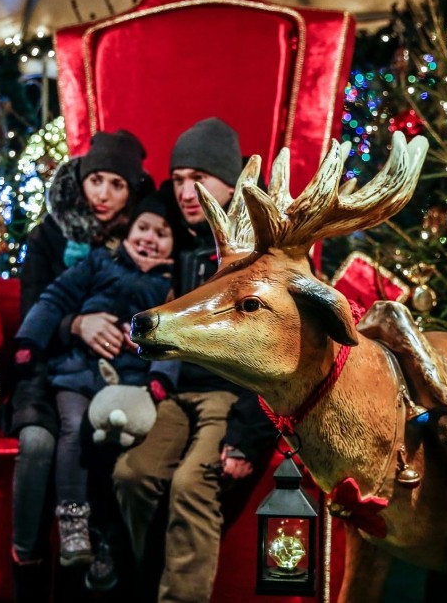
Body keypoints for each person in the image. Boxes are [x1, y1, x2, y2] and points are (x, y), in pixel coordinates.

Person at [113, 117, 279, 602]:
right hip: (173, 390)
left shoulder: (260, 251)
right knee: (131, 474)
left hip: (229, 399)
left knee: (190, 483)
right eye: (179, 179)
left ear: (230, 181)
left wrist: (249, 436)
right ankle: (138, 587)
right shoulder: (172, 232)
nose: (187, 191)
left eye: (199, 179)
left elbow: (277, 349)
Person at [9, 129, 151, 600]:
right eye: (96, 182)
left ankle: (103, 553)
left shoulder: (141, 240)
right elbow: (35, 306)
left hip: (110, 371)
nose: (103, 195)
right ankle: (25, 566)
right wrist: (76, 324)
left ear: (132, 191)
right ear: (80, 180)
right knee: (37, 442)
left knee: (108, 437)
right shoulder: (50, 235)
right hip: (48, 368)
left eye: (117, 185)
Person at [14, 195, 178, 576]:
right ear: (127, 232)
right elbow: (54, 298)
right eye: (143, 229)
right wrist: (29, 342)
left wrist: (158, 379)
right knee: (74, 428)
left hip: (126, 385)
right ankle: (72, 517)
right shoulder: (99, 262)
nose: (150, 239)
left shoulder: (168, 289)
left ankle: (105, 538)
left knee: (114, 446)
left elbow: (173, 342)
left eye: (162, 234)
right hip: (76, 373)